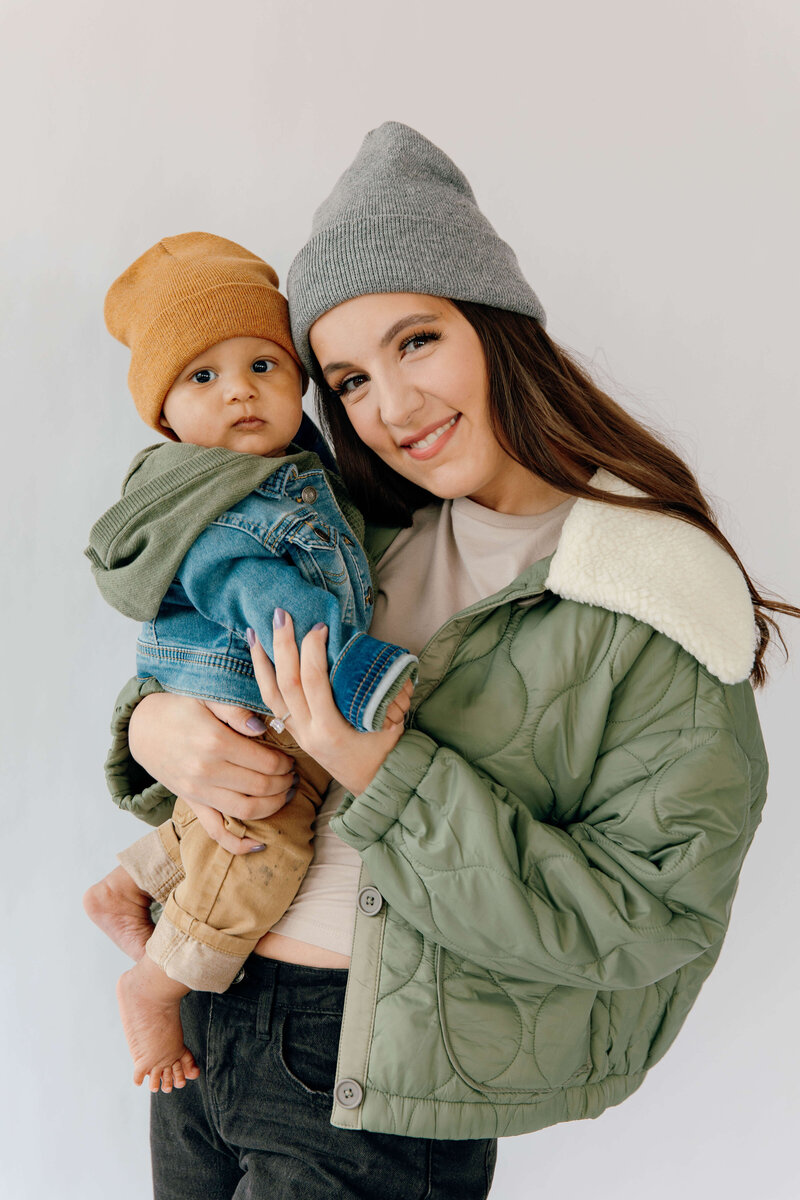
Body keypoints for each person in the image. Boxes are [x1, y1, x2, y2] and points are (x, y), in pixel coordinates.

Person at [101, 124, 797, 1199]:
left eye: (416, 342)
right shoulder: (356, 534)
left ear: (494, 327)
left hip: (371, 1073)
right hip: (208, 1014)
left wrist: (385, 770)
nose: (392, 406)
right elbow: (215, 657)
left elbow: (645, 921)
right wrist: (157, 727)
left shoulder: (648, 594)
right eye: (349, 377)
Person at [82, 231, 416, 1095]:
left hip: (262, 711)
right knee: (263, 853)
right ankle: (154, 986)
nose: (239, 390)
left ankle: (133, 877)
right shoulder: (221, 505)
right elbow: (283, 612)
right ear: (166, 416)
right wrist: (365, 678)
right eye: (203, 376)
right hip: (268, 701)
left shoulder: (292, 476)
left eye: (263, 365)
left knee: (244, 815)